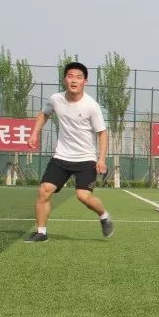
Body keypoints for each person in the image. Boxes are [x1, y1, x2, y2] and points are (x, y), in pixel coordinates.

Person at [25, 61, 113, 242]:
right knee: (44, 190)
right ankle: (41, 232)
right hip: (61, 156)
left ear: (85, 82)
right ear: (65, 79)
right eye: (70, 76)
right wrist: (34, 133)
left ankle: (104, 215)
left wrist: (101, 159)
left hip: (86, 158)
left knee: (83, 196)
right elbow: (44, 114)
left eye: (79, 77)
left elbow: (102, 133)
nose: (74, 80)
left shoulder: (91, 106)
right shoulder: (55, 99)